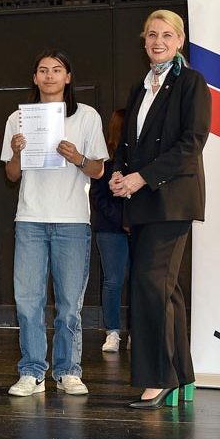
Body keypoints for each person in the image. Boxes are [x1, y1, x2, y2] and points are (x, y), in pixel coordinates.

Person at [110, 10, 211, 409]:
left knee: (150, 284)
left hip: (171, 199)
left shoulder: (191, 83)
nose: (158, 41)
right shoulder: (140, 87)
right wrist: (120, 173)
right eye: (151, 34)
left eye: (167, 35)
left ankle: (157, 378)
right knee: (167, 291)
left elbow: (192, 144)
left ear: (180, 40)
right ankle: (182, 376)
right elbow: (129, 143)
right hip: (143, 200)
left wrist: (142, 178)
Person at [1, 50, 107, 397]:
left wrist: (77, 157)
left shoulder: (86, 116)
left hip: (73, 220)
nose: (49, 76)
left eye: (56, 70)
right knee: (28, 301)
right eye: (43, 70)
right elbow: (11, 175)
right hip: (30, 219)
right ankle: (32, 371)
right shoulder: (18, 119)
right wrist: (17, 152)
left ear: (68, 77)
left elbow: (99, 170)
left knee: (68, 305)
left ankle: (68, 371)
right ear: (34, 78)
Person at [91, 109, 129, 353]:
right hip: (110, 230)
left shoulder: (142, 159)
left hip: (140, 228)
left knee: (140, 282)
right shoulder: (104, 160)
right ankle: (112, 332)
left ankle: (138, 331)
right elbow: (98, 197)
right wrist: (122, 221)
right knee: (113, 281)